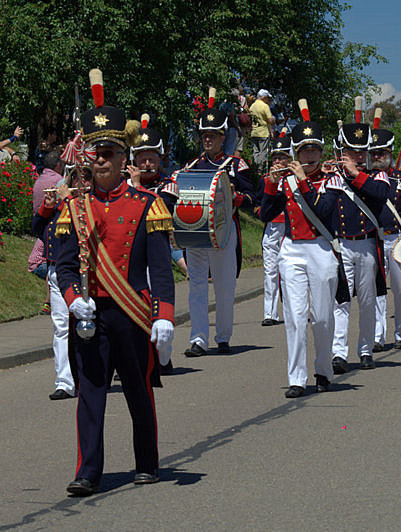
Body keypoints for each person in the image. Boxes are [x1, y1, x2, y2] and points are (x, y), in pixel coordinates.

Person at [55, 71, 174, 496]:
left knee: (139, 391)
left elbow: (160, 268)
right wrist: (72, 300)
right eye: (95, 154)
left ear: (123, 158)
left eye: (108, 153)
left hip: (133, 313)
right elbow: (64, 266)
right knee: (90, 394)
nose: (100, 160)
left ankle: (147, 461)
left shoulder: (148, 205)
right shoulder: (76, 207)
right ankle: (88, 471)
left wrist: (164, 316)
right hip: (91, 315)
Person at [259, 99, 341, 398]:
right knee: (294, 316)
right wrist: (270, 184)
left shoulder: (332, 180)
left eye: (314, 150)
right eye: (304, 150)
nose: (309, 155)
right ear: (297, 153)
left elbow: (324, 212)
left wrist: (304, 181)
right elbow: (266, 215)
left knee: (321, 317)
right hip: (291, 251)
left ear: (321, 153)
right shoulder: (286, 182)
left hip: (320, 250)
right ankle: (296, 377)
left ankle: (323, 368)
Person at [182, 89, 256, 357]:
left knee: (225, 287)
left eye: (212, 135)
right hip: (195, 232)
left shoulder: (236, 165)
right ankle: (198, 339)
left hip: (224, 233)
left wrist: (236, 197)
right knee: (197, 287)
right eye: (204, 135)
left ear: (223, 137)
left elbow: (252, 199)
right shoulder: (190, 166)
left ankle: (223, 336)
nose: (208, 140)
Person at [327, 102, 390, 374]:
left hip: (366, 245)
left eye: (360, 151)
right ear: (342, 151)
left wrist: (355, 174)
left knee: (366, 301)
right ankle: (338, 353)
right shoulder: (332, 177)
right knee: (340, 301)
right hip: (340, 246)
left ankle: (365, 349)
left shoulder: (377, 174)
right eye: (351, 151)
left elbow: (380, 195)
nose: (356, 155)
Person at [32, 166, 92, 400]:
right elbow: (38, 231)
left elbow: (85, 230)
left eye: (86, 177)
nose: (81, 182)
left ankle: (92, 376)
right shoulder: (60, 205)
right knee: (61, 327)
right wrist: (47, 207)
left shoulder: (93, 203)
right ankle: (64, 382)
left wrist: (68, 201)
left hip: (87, 272)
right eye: (76, 177)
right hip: (59, 270)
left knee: (89, 323)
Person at [126, 116, 180, 375]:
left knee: (157, 306)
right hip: (130, 254)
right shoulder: (123, 186)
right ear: (134, 160)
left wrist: (136, 187)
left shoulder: (169, 186)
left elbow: (159, 210)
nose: (146, 163)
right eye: (142, 158)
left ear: (160, 160)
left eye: (151, 159)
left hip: (156, 254)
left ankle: (163, 356)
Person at [371, 109, 401, 351]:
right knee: (377, 289)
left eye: (382, 152)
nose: (377, 156)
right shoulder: (363, 179)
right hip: (374, 239)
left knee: (400, 289)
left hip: (397, 239)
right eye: (374, 152)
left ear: (390, 153)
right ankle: (377, 336)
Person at [257, 131, 292, 327]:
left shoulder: (295, 178)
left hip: (289, 229)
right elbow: (257, 204)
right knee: (270, 271)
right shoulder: (264, 179)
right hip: (271, 229)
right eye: (276, 157)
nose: (278, 161)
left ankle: (290, 310)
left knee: (288, 272)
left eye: (282, 157)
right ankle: (269, 313)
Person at [249, 89, 275, 172]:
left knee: (256, 152)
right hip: (263, 132)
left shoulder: (252, 106)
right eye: (267, 98)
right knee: (263, 152)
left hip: (254, 132)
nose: (268, 100)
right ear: (263, 97)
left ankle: (255, 168)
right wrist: (274, 119)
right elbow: (270, 120)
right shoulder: (265, 106)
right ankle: (261, 169)